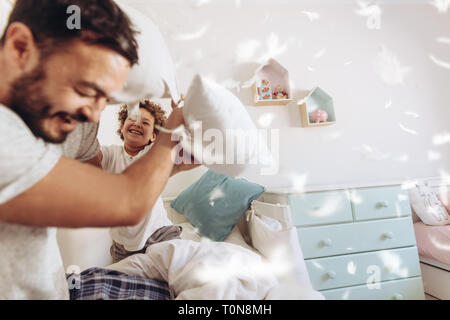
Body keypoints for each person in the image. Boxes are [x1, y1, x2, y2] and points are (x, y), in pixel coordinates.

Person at [0, 0, 194, 299]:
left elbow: (95, 177)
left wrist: (170, 163)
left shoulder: (71, 123)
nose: (92, 115)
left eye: (104, 99)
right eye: (86, 91)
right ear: (20, 47)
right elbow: (128, 201)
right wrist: (170, 131)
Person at [98, 100, 183, 263]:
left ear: (153, 136)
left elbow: (170, 141)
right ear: (123, 126)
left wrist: (177, 114)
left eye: (145, 122)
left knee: (177, 266)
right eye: (132, 119)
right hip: (123, 246)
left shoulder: (151, 153)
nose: (137, 124)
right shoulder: (111, 154)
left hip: (159, 234)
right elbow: (91, 154)